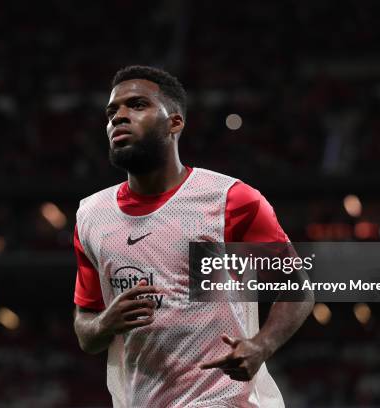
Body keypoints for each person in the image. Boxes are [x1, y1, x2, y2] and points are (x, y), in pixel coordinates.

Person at [72, 65, 313, 407]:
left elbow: (297, 288)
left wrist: (261, 345)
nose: (119, 118)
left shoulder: (230, 200)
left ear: (175, 122)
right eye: (112, 111)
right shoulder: (91, 216)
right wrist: (105, 323)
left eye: (137, 105)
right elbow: (86, 331)